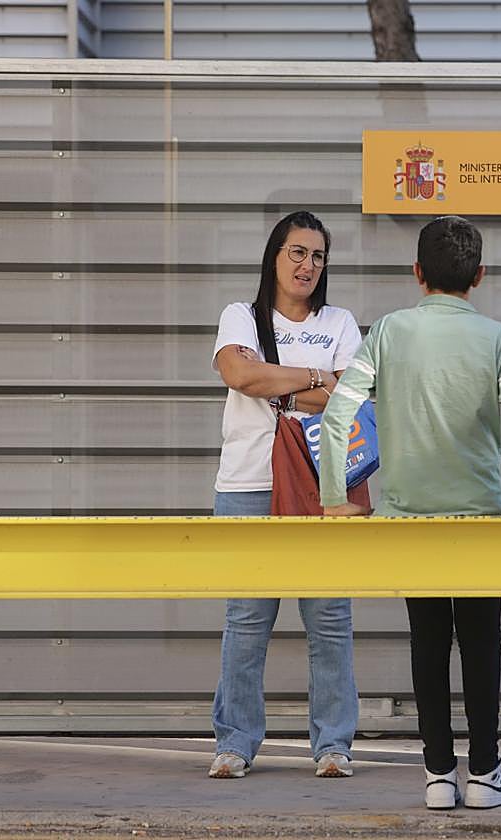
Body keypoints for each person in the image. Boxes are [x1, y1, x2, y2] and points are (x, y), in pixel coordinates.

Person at [318, 215, 501, 810]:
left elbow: (336, 417)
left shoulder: (389, 333)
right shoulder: (499, 339)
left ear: (417, 272)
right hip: (478, 519)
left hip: (406, 520)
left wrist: (332, 500)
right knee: (481, 643)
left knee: (426, 641)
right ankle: (484, 774)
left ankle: (436, 776)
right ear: (479, 275)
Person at [207, 210, 361, 780]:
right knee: (247, 617)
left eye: (318, 256)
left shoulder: (341, 321)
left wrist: (281, 375)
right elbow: (241, 379)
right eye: (297, 252)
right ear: (275, 256)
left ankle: (333, 745)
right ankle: (235, 742)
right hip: (247, 482)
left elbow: (351, 401)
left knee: (329, 618)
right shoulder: (240, 316)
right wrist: (318, 377)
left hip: (325, 486)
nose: (307, 265)